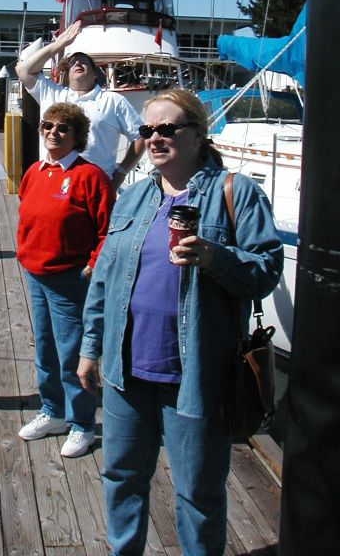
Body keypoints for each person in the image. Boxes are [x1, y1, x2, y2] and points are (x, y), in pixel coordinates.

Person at [78, 88, 283, 555]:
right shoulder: (132, 199)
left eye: (167, 129)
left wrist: (214, 256)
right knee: (122, 479)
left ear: (197, 135)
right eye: (147, 130)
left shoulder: (237, 193)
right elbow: (104, 283)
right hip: (127, 374)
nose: (154, 138)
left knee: (198, 495)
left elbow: (267, 269)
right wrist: (91, 349)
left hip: (195, 378)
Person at [17, 102, 116, 457]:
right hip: (36, 274)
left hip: (70, 280)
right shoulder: (35, 171)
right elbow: (26, 213)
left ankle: (83, 425)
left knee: (73, 353)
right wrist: (24, 250)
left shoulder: (90, 176)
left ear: (77, 136)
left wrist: (91, 265)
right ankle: (53, 411)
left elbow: (108, 231)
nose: (53, 133)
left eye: (63, 128)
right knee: (45, 348)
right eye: (48, 126)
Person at [15, 20, 144, 189]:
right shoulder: (52, 93)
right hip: (52, 182)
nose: (77, 63)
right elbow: (23, 70)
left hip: (96, 185)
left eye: (83, 61)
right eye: (73, 63)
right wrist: (59, 44)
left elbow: (140, 137)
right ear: (67, 74)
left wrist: (120, 174)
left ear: (95, 75)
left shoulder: (113, 100)